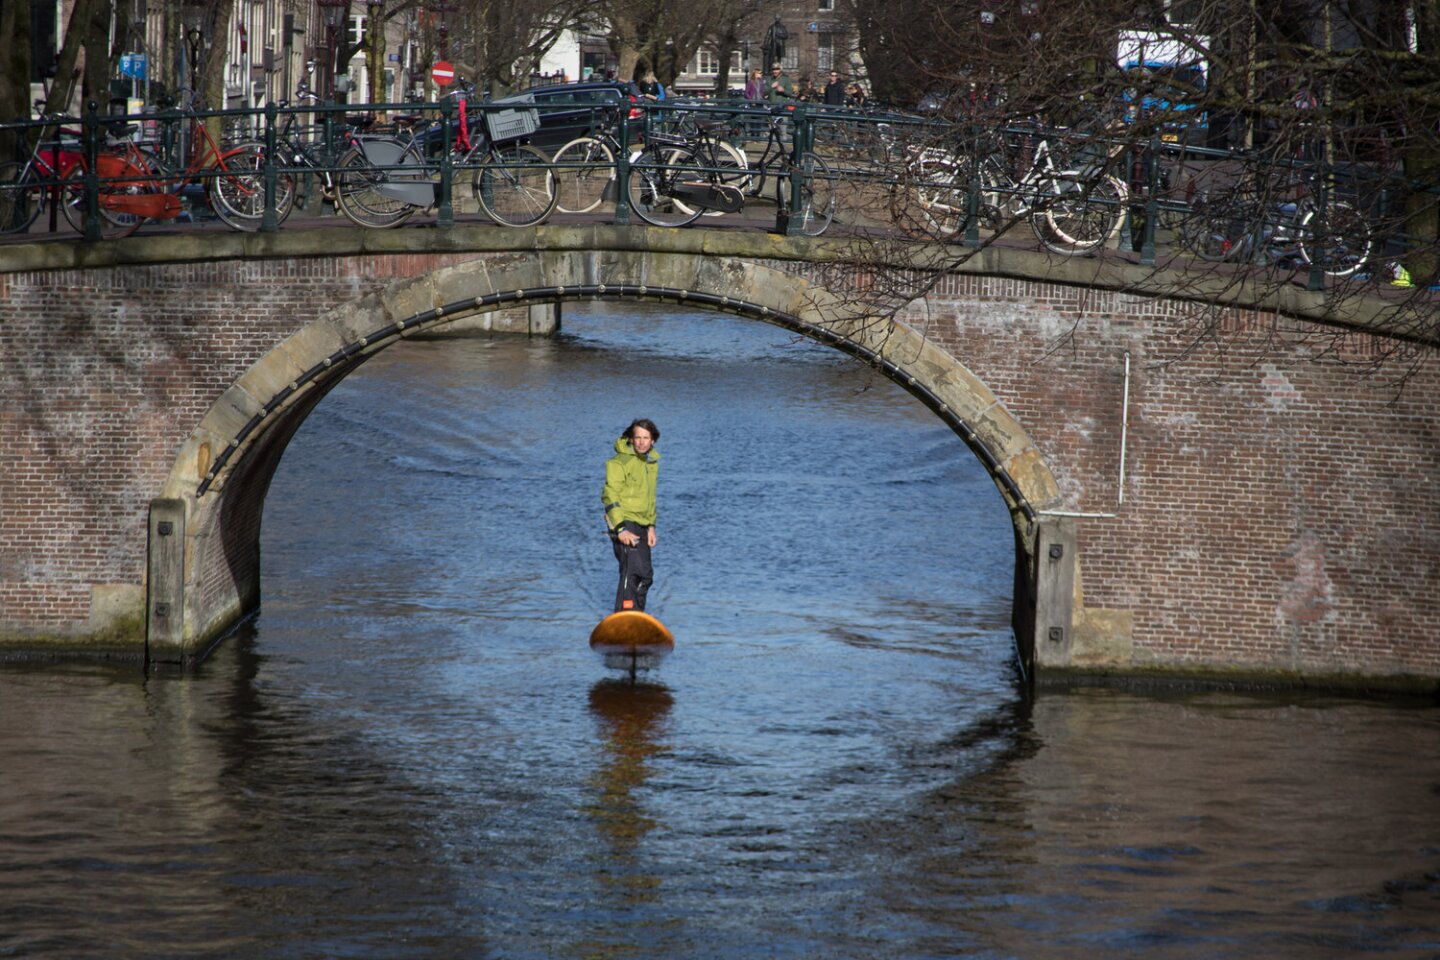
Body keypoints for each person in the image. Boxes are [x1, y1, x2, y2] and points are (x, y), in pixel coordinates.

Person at [602, 419, 660, 613]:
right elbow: (610, 495)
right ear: (630, 439)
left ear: (652, 441)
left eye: (646, 438)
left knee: (646, 576)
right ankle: (624, 615)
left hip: (643, 524)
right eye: (638, 438)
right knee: (631, 571)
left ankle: (637, 616)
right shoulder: (618, 462)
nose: (642, 442)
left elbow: (650, 497)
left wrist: (651, 525)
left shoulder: (649, 463)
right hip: (624, 522)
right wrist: (620, 529)